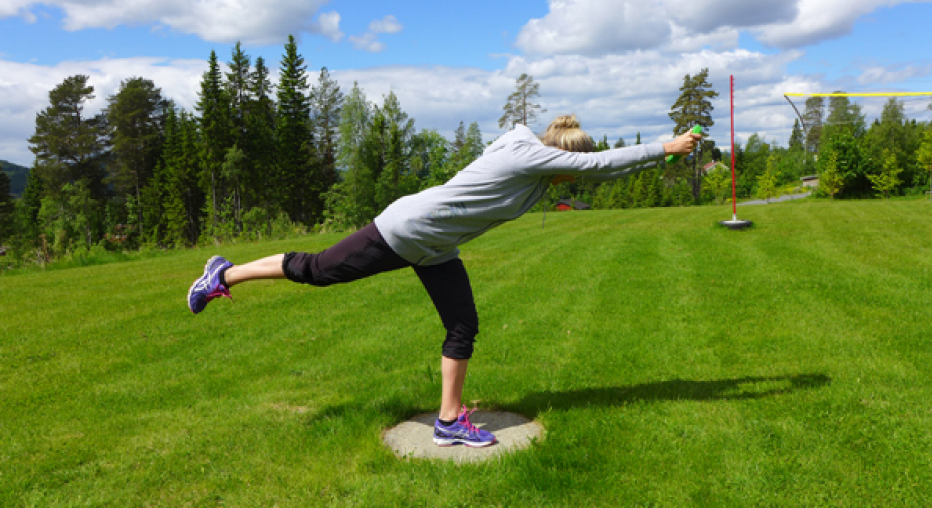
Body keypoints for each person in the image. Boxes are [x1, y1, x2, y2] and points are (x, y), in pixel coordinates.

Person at [188, 115, 701, 447]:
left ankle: (450, 420)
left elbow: (599, 170)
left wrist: (665, 156)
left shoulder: (540, 166)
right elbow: (598, 162)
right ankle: (224, 273)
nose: (571, 176)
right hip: (405, 229)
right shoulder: (528, 158)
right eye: (569, 167)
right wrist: (665, 144)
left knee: (463, 325)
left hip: (434, 246)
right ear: (558, 156)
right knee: (318, 270)